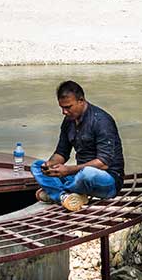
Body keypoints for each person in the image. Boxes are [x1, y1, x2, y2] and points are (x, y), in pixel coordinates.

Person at [31, 81, 125, 212]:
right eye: (62, 108)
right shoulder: (68, 121)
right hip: (78, 177)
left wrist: (68, 170)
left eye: (68, 107)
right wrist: (50, 165)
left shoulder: (102, 121)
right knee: (36, 166)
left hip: (107, 180)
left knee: (87, 173)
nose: (64, 112)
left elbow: (103, 163)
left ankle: (56, 193)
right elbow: (61, 153)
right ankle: (65, 196)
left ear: (81, 101)